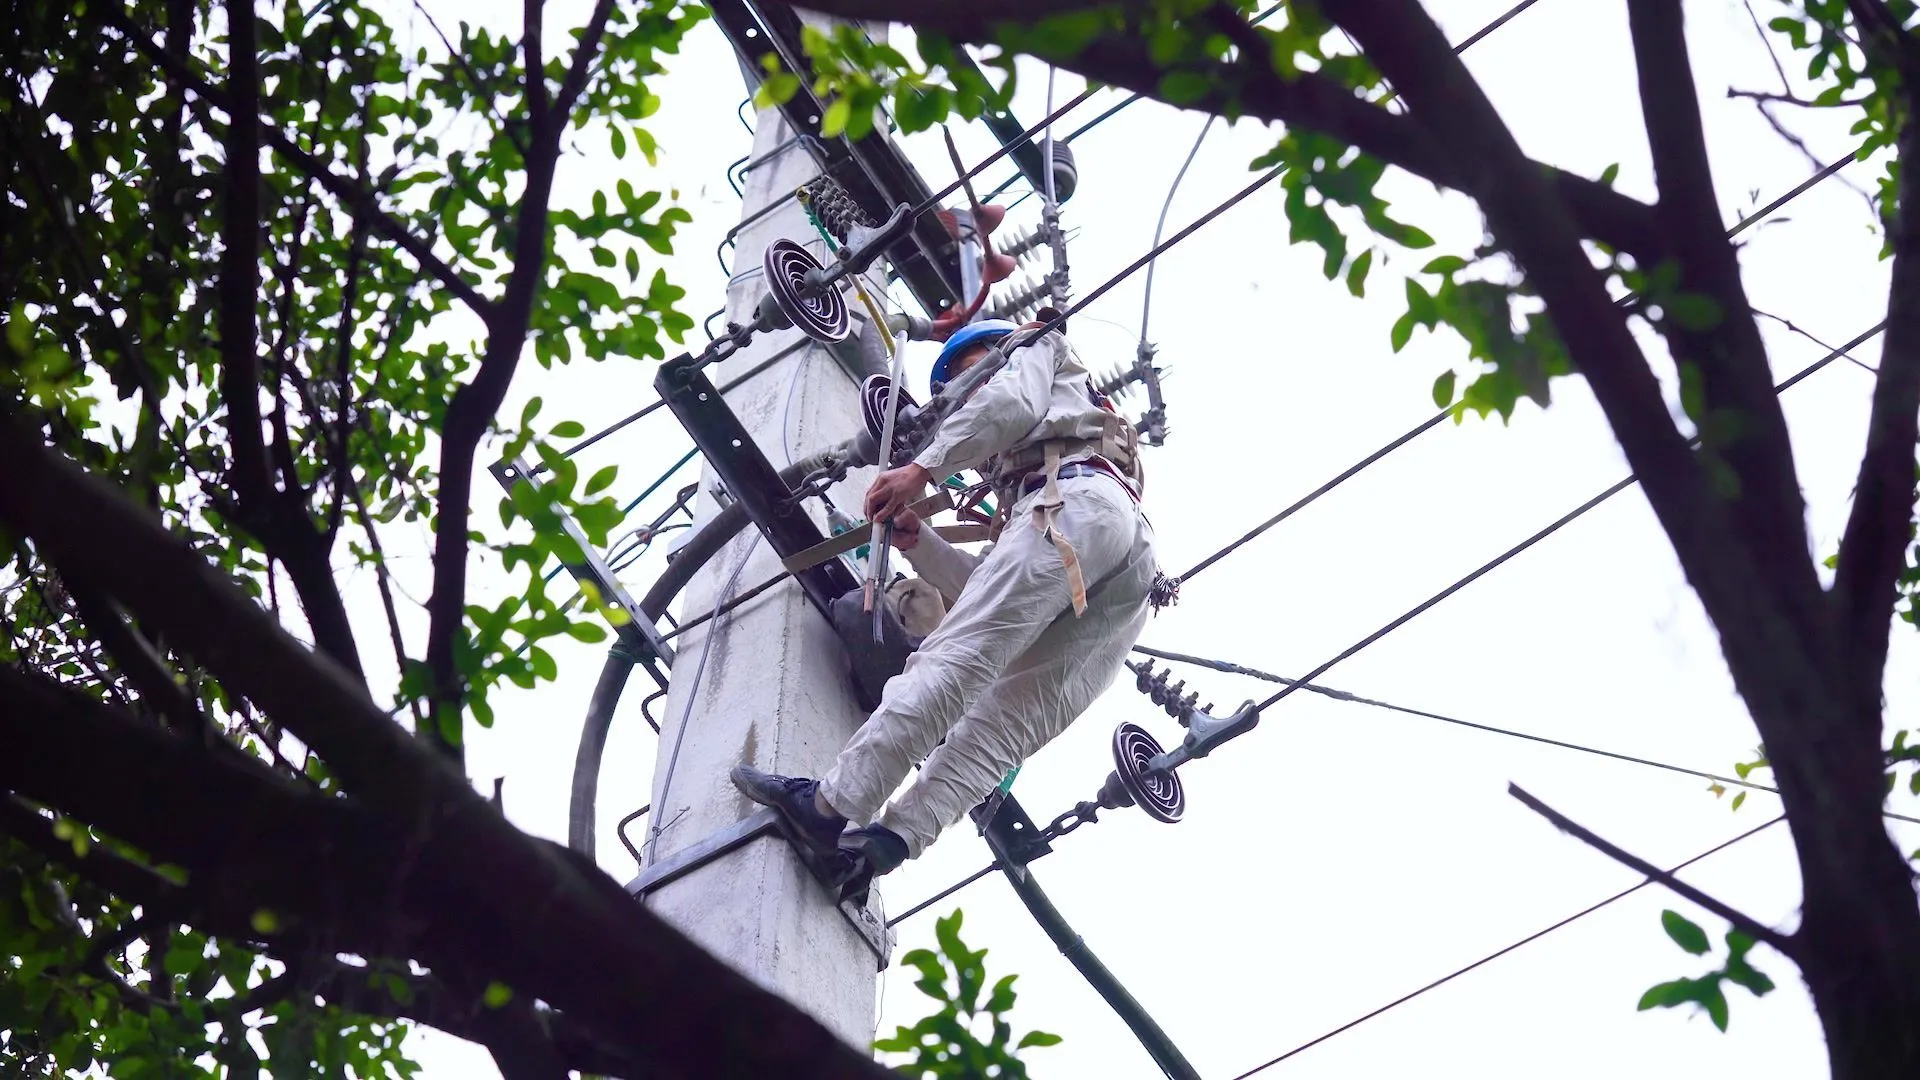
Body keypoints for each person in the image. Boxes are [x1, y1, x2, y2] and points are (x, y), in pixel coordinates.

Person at [731, 316, 1158, 899]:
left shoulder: (1031, 349)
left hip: (1080, 507)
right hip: (1126, 562)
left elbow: (1007, 399)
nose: (962, 403)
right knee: (999, 729)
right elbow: (995, 588)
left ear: (987, 351)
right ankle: (879, 850)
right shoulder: (1049, 471)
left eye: (961, 385)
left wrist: (921, 470)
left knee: (949, 663)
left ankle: (827, 807)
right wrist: (919, 542)